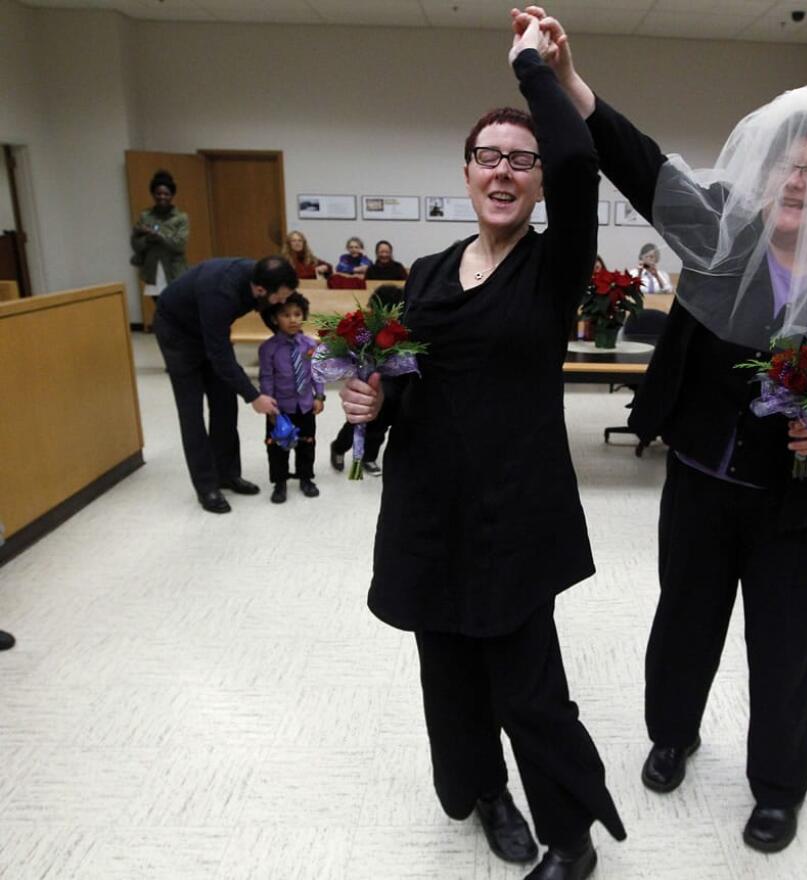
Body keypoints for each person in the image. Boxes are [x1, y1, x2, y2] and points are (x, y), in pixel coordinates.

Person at [525, 3, 807, 855]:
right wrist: (569, 85)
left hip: (800, 505)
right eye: (787, 165)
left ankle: (778, 787)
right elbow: (642, 167)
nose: (797, 181)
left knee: (784, 648)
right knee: (684, 621)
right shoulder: (722, 244)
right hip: (703, 477)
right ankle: (673, 734)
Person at [338, 14, 624, 879]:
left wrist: (535, 67)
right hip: (428, 508)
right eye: (488, 157)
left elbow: (581, 158)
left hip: (514, 515)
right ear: (465, 173)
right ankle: (484, 794)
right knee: (448, 677)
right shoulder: (423, 275)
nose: (504, 171)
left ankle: (571, 841)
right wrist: (370, 401)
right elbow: (399, 377)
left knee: (528, 691)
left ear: (539, 185)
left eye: (521, 159)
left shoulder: (553, 265)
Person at [154, 256, 298, 513]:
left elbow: (268, 310)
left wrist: (287, 341)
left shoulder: (259, 278)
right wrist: (254, 396)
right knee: (192, 412)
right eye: (280, 297)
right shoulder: (220, 293)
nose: (282, 302)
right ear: (261, 290)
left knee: (225, 403)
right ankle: (206, 487)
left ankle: (227, 474)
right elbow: (220, 355)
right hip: (178, 333)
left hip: (211, 329)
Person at [258, 292, 325, 503]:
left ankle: (305, 478)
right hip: (280, 408)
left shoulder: (310, 344)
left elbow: (317, 372)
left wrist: (320, 396)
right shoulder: (268, 348)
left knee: (307, 444)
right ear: (274, 318)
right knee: (277, 446)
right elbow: (266, 377)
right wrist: (269, 406)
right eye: (286, 315)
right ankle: (280, 482)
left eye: (297, 314)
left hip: (305, 405)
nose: (293, 319)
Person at [330, 284, 401, 477]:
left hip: (392, 387)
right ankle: (338, 447)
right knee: (357, 422)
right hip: (369, 382)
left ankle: (369, 458)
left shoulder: (401, 331)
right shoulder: (367, 330)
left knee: (380, 426)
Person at [130, 169, 190, 301]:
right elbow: (136, 245)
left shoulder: (181, 217)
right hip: (153, 271)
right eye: (158, 193)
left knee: (178, 306)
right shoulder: (145, 216)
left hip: (175, 271)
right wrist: (148, 239)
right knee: (161, 309)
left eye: (166, 194)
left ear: (172, 195)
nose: (162, 197)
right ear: (153, 194)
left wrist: (160, 237)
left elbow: (180, 245)